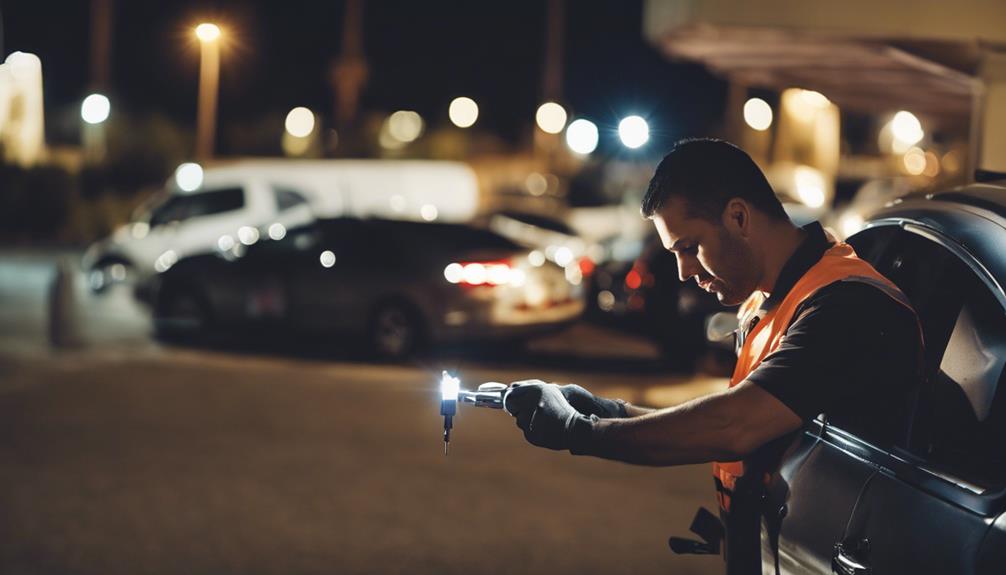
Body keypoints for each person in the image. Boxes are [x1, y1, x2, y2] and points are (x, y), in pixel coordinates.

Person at [503, 138, 924, 573]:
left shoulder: (844, 306)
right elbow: (745, 421)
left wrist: (580, 431)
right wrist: (612, 411)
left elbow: (735, 423)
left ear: (738, 216)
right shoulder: (770, 301)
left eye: (689, 247)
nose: (684, 271)